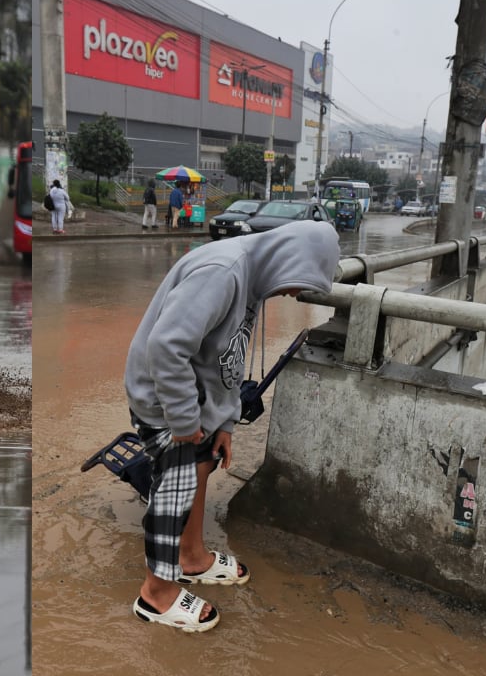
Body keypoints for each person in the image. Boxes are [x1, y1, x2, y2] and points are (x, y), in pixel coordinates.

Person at [124, 220, 341, 633]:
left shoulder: (253, 281)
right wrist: (185, 420)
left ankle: (191, 558)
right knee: (177, 484)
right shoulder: (223, 271)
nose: (295, 294)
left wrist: (224, 422)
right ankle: (156, 595)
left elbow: (229, 356)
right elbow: (166, 346)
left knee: (201, 465)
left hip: (198, 401)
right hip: (165, 401)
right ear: (289, 259)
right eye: (300, 283)